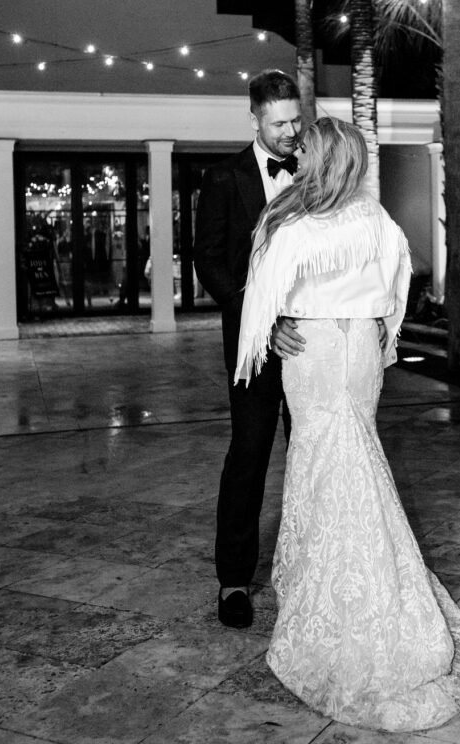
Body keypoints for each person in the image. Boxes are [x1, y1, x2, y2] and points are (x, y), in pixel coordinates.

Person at [234, 116, 460, 733]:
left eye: (306, 150)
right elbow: (400, 280)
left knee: (321, 460)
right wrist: (382, 328)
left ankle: (336, 598)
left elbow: (259, 297)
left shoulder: (290, 223)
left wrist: (270, 328)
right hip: (360, 357)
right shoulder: (376, 221)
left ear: (321, 160)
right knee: (357, 454)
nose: (296, 155)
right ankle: (369, 589)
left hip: (314, 354)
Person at [194, 69, 305, 630]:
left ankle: (314, 571)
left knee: (312, 456)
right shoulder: (223, 178)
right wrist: (260, 317)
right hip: (253, 346)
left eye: (295, 119)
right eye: (279, 122)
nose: (291, 131)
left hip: (311, 340)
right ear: (255, 118)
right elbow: (208, 260)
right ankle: (234, 581)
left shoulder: (316, 168)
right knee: (250, 456)